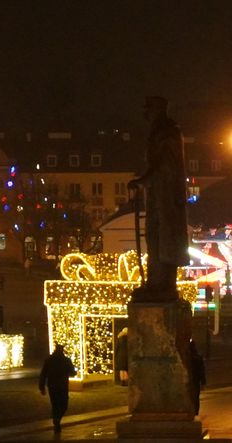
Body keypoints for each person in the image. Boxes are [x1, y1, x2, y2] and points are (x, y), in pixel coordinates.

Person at [128, 96, 189, 301]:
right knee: (155, 236)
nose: (146, 113)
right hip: (159, 192)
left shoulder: (168, 131)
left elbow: (165, 165)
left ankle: (162, 284)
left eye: (149, 109)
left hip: (166, 194)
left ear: (158, 109)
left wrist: (143, 180)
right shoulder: (161, 131)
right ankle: (157, 282)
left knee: (162, 237)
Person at [39, 344, 77, 433]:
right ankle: (57, 419)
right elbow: (72, 373)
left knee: (55, 404)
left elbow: (43, 374)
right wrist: (74, 372)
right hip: (62, 385)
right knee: (64, 404)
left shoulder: (49, 360)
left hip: (52, 385)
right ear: (62, 350)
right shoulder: (66, 360)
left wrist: (42, 386)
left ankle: (56, 420)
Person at [190, 340, 206, 416]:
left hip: (189, 382)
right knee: (196, 398)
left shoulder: (187, 358)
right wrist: (203, 382)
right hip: (195, 381)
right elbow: (201, 371)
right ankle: (195, 413)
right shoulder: (198, 358)